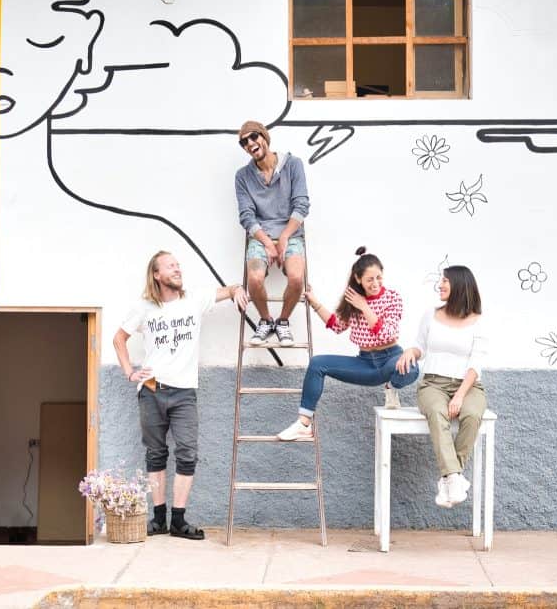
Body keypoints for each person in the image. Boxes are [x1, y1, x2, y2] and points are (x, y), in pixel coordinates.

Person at [112, 250, 247, 539]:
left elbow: (230, 289)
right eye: (170, 266)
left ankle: (178, 520)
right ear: (157, 274)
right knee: (156, 454)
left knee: (187, 454)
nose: (177, 269)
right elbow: (119, 338)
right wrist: (128, 371)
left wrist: (237, 291)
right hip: (151, 390)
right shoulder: (144, 307)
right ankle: (158, 519)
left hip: (184, 392)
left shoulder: (194, 299)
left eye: (178, 265)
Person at [276, 247, 419, 441]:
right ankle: (303, 424)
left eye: (379, 277)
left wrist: (364, 306)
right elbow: (337, 325)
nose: (375, 283)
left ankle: (391, 387)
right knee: (317, 363)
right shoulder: (353, 300)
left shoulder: (392, 297)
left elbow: (387, 334)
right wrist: (314, 302)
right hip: (365, 363)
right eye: (370, 279)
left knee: (410, 368)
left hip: (390, 358)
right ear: (358, 279)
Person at [395, 265, 487, 508]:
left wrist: (458, 396)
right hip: (433, 384)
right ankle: (455, 478)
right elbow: (420, 346)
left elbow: (475, 364)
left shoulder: (478, 321)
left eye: (445, 281)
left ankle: (449, 477)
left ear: (459, 285)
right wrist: (410, 351)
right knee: (437, 412)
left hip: (468, 386)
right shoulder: (431, 314)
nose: (440, 285)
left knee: (472, 415)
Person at [234, 120, 310, 347]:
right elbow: (246, 216)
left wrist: (284, 237)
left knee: (297, 279)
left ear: (264, 137)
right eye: (244, 141)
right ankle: (266, 321)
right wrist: (268, 243)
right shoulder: (243, 176)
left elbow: (302, 206)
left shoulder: (293, 165)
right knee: (254, 279)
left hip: (291, 233)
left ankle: (283, 322)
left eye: (253, 137)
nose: (250, 143)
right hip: (261, 235)